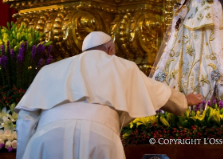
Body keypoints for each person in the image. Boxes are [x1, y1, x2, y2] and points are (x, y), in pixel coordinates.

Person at [15, 31, 203, 159]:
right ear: (110, 49)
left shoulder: (50, 69)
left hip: (47, 138)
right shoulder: (122, 65)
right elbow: (158, 92)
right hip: (99, 139)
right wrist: (183, 101)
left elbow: (25, 118)